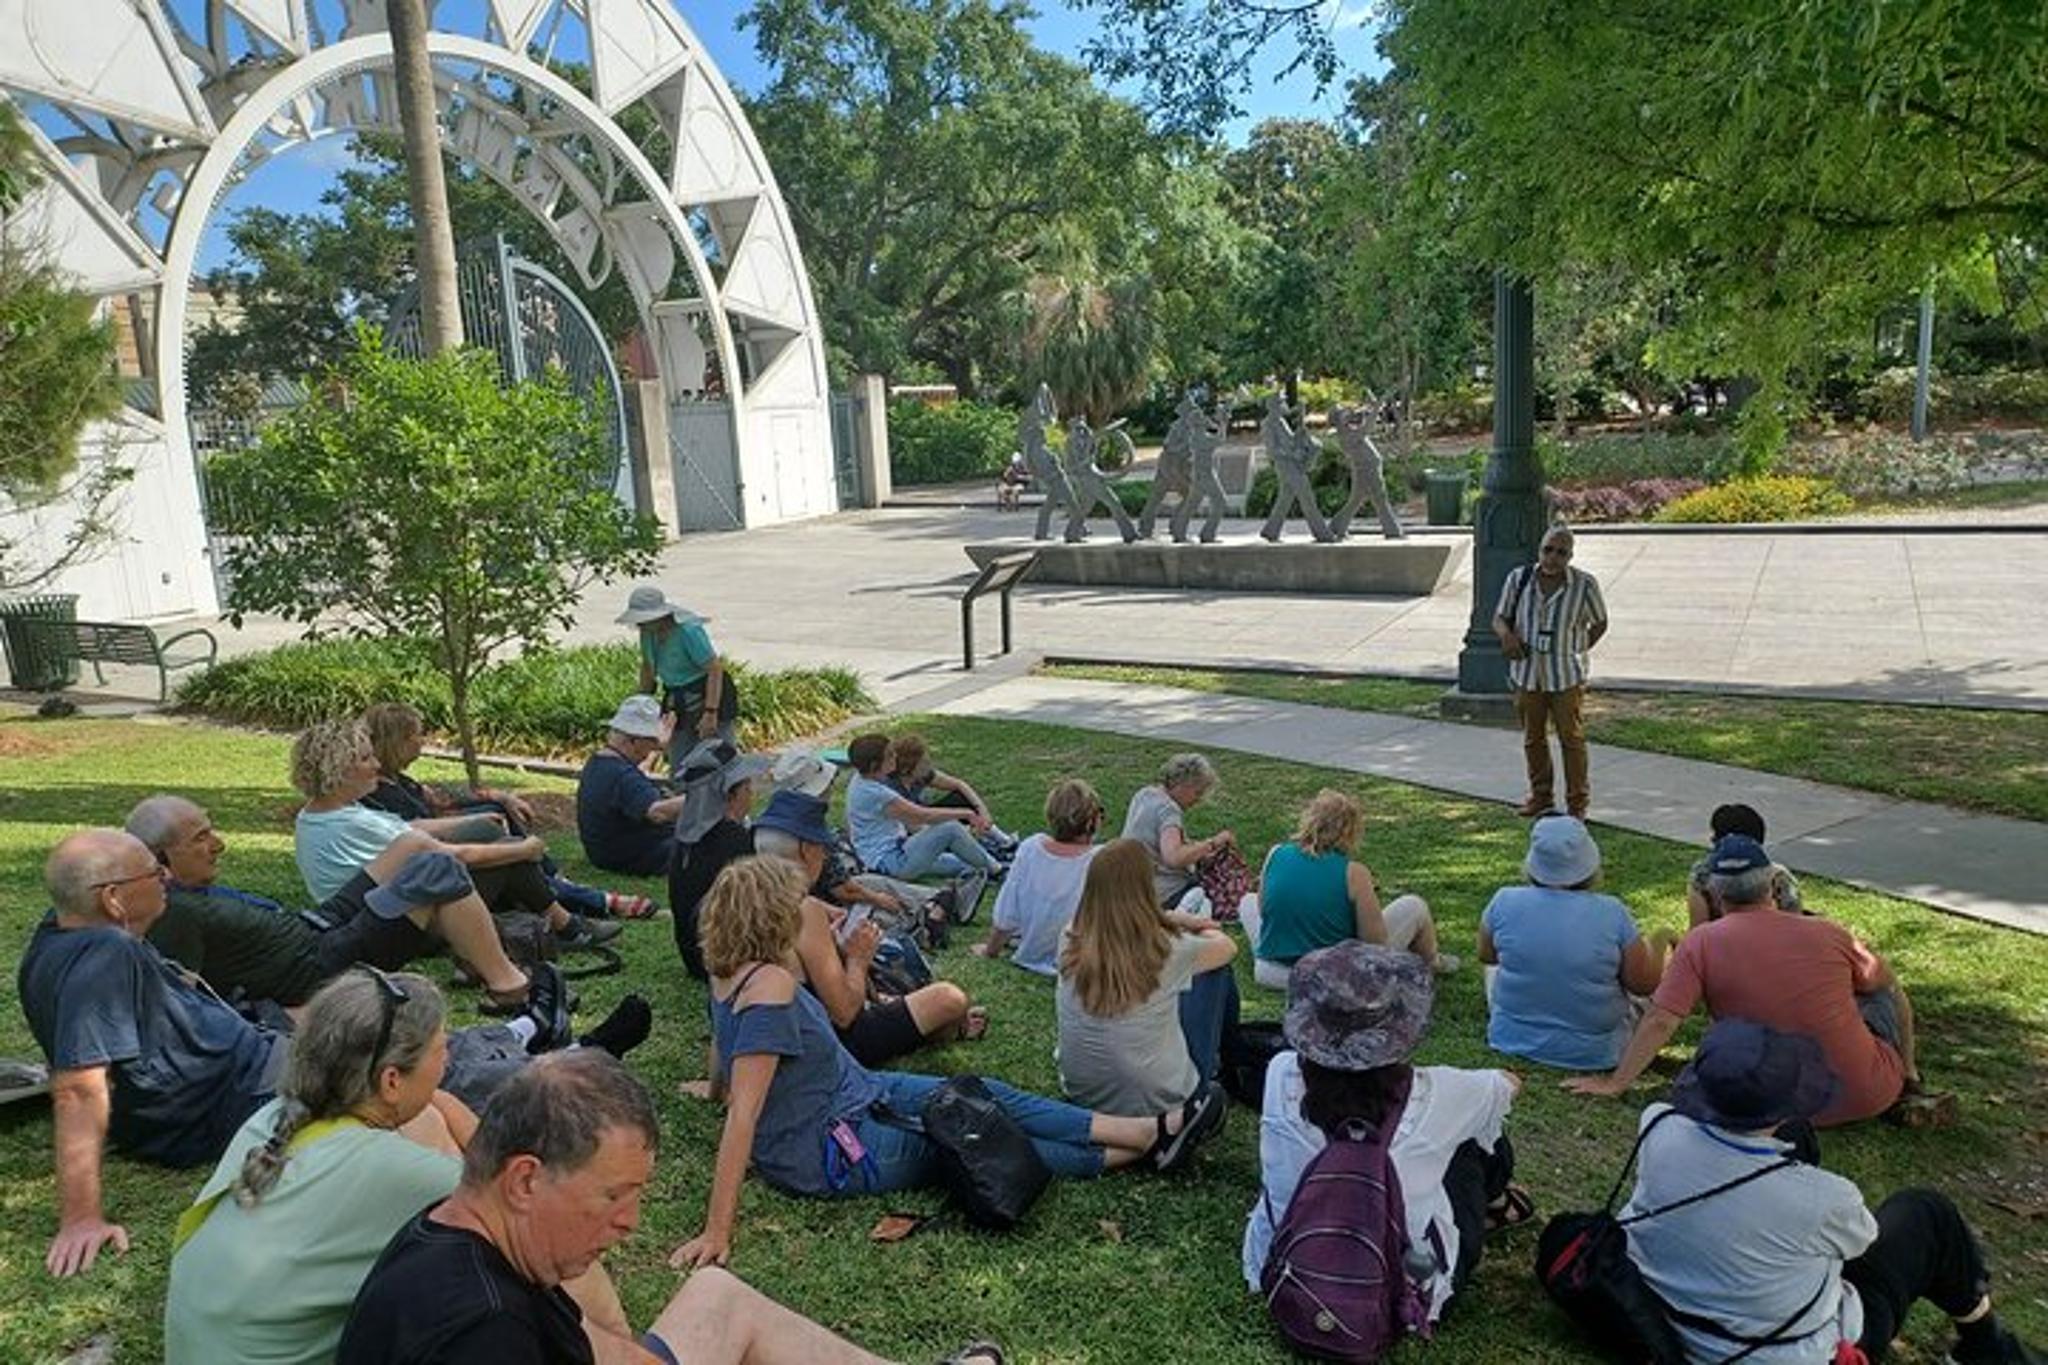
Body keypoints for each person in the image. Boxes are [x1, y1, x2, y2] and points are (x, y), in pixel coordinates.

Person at [20, 831, 587, 1280]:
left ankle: (527, 1033)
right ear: (114, 898)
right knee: (412, 1071)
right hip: (243, 1092)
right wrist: (80, 1217)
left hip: (254, 1057)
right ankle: (559, 1056)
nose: (166, 877)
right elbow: (77, 1085)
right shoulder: (100, 956)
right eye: (153, 872)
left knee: (405, 1042)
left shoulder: (58, 933)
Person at [672, 857, 1227, 1266]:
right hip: (828, 1147)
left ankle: (1148, 1130)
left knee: (977, 1091)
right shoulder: (768, 984)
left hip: (859, 1088)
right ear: (770, 916)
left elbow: (727, 1049)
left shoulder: (730, 969)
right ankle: (1149, 1144)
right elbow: (744, 1115)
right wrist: (716, 1230)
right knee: (976, 1144)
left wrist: (714, 1085)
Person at [338, 1049, 915, 1365]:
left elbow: (592, 1344)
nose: (630, 1222)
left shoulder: (473, 1237)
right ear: (524, 1181)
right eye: (612, 1195)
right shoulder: (482, 1332)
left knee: (716, 1295)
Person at [1620, 1018, 2041, 1365]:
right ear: (1791, 1097)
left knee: (1792, 1155)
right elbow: (1859, 1245)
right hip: (1769, 1351)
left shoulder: (1657, 1125)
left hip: (1661, 1311)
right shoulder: (1825, 1199)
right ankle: (1988, 1347)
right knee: (1925, 1214)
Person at [164, 969, 475, 1365]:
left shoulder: (276, 1119)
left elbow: (427, 1112)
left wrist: (439, 1104)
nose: (447, 1058)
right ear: (392, 1080)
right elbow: (517, 1198)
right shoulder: (392, 1170)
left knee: (427, 1120)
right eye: (441, 1048)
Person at [1242, 942, 1529, 1330]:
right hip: (1402, 1294)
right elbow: (1506, 1086)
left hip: (1285, 1269)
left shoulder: (1279, 1073)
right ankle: (1496, 1203)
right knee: (1476, 1140)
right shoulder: (1441, 1093)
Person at [1565, 834, 1941, 1128]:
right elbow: (1886, 985)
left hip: (1760, 1103)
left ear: (1713, 891)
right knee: (1881, 992)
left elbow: (1662, 1019)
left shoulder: (1701, 942)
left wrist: (1616, 1083)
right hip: (1864, 1095)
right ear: (1774, 885)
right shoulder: (1829, 932)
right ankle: (1909, 1075)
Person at [128, 793, 538, 1012]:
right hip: (322, 966)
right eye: (200, 839)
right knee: (436, 871)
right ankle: (509, 984)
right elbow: (182, 1001)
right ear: (159, 857)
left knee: (410, 846)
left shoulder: (184, 895)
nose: (218, 845)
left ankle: (476, 957)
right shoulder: (170, 911)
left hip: (317, 925)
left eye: (210, 831)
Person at [292, 718, 620, 953]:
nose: (377, 764)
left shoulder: (318, 813)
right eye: (366, 758)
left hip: (373, 914)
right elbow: (453, 857)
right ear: (339, 769)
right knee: (508, 853)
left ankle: (555, 918)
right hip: (395, 926)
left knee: (489, 832)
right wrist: (526, 849)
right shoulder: (354, 822)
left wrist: (472, 822)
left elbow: (409, 829)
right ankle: (568, 927)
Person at [360, 702, 654, 920]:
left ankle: (556, 882)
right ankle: (594, 900)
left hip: (440, 849)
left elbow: (444, 798)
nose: (422, 742)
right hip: (430, 862)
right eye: (417, 736)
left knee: (498, 812)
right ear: (396, 742)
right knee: (506, 846)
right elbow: (415, 830)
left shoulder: (399, 781)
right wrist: (475, 820)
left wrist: (502, 795)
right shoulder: (379, 793)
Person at [751, 791, 984, 1064]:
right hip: (827, 1043)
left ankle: (903, 1007)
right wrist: (858, 958)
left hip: (777, 1040)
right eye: (823, 847)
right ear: (807, 850)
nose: (826, 855)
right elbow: (845, 1015)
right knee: (949, 998)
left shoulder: (744, 899)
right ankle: (947, 1028)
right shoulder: (805, 911)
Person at [1055, 840, 1240, 1116]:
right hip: (1159, 1102)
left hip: (1081, 1091)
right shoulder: (1166, 948)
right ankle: (1229, 1063)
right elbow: (1228, 947)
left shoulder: (1071, 935)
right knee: (1216, 970)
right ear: (1145, 887)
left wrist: (1166, 918)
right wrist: (1187, 922)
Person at [1477, 816, 1674, 1071]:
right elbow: (1643, 985)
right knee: (1664, 981)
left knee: (1496, 969)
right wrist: (1659, 939)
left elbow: (1487, 956)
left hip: (1511, 1037)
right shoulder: (1612, 912)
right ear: (1590, 864)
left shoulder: (1503, 901)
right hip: (1596, 1050)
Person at [1239, 788, 1454, 990]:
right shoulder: (1355, 873)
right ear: (1350, 832)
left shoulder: (1276, 852)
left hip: (1273, 970)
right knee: (1414, 905)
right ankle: (1431, 963)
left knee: (1247, 901)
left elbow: (1263, 909)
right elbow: (1375, 944)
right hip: (1332, 976)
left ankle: (1271, 956)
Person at [1492, 523, 1608, 819]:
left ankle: (1577, 804)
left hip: (1566, 676)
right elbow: (1500, 617)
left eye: (1561, 552)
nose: (1553, 557)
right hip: (1527, 674)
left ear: (1570, 556)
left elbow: (1600, 623)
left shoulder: (1584, 585)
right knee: (1533, 738)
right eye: (1548, 550)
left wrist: (1574, 650)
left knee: (1572, 739)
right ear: (1539, 549)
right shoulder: (1519, 579)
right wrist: (1506, 636)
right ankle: (1541, 797)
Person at [971, 778, 1104, 974]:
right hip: (1083, 960)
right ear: (1092, 820)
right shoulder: (1103, 859)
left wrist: (991, 950)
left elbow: (1007, 915)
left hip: (1034, 954)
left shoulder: (1031, 849)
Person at [843, 732, 1000, 899]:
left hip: (902, 848)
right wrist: (966, 813)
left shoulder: (862, 780)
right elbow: (922, 816)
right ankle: (999, 871)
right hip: (891, 863)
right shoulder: (874, 793)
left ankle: (996, 864)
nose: (895, 756)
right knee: (950, 829)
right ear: (875, 764)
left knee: (968, 865)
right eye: (889, 755)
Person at [667, 741, 773, 979]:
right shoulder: (732, 840)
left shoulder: (686, 836)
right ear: (729, 794)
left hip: (693, 957)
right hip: (723, 962)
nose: (751, 794)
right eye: (747, 787)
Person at [618, 583, 733, 769]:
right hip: (677, 697)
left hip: (707, 693)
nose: (640, 624)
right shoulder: (648, 633)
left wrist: (710, 712)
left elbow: (714, 668)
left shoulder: (687, 631)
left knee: (718, 755)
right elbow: (648, 667)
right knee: (680, 759)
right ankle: (682, 794)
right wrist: (640, 703)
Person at [575, 695, 690, 878]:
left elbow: (635, 776)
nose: (653, 748)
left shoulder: (600, 762)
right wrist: (706, 795)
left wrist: (657, 748)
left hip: (607, 853)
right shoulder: (621, 776)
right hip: (635, 856)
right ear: (634, 741)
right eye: (651, 742)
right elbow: (657, 812)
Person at [1119, 752, 1244, 915]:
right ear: (1182, 784)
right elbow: (1174, 858)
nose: (1198, 799)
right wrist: (1212, 843)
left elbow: (1156, 843)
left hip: (1130, 888)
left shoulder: (1144, 794)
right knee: (1219, 890)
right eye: (1197, 793)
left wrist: (1196, 849)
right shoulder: (1168, 810)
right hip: (1162, 893)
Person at [1687, 801, 1806, 926]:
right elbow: (1794, 924)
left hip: (1720, 942)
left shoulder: (1701, 874)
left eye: (1715, 834)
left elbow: (1698, 927)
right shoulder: (1780, 875)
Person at [1258, 392, 1332, 543]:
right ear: (1274, 406)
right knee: (1307, 496)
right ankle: (1322, 534)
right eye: (1281, 402)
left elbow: (1290, 441)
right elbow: (1272, 450)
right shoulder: (1268, 424)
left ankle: (1271, 531)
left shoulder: (1281, 421)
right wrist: (1293, 454)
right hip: (1285, 465)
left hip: (1290, 464)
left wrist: (1300, 434)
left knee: (1285, 499)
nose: (1284, 405)